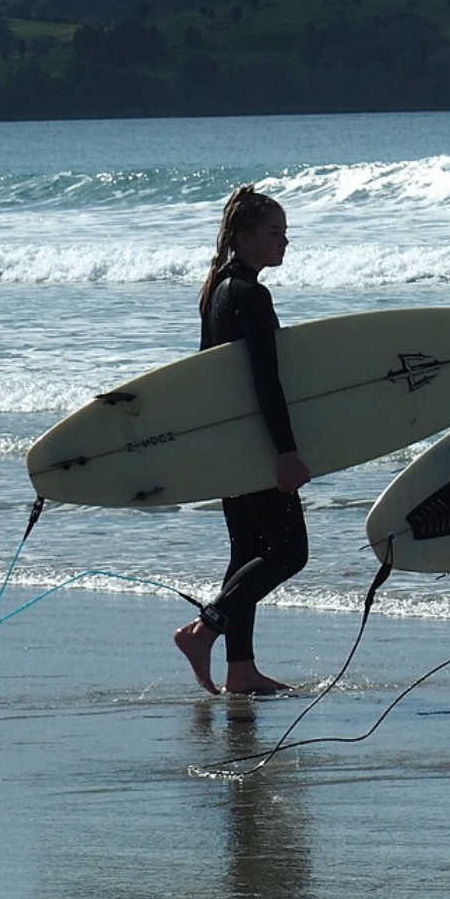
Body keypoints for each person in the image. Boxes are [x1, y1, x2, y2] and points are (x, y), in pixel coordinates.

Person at [174, 185, 312, 696]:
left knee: (249, 551)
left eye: (286, 233)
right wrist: (287, 451)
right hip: (255, 445)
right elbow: (264, 381)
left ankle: (241, 669)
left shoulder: (218, 292)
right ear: (245, 237)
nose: (284, 242)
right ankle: (204, 630)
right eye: (275, 233)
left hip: (228, 444)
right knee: (289, 552)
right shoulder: (251, 296)